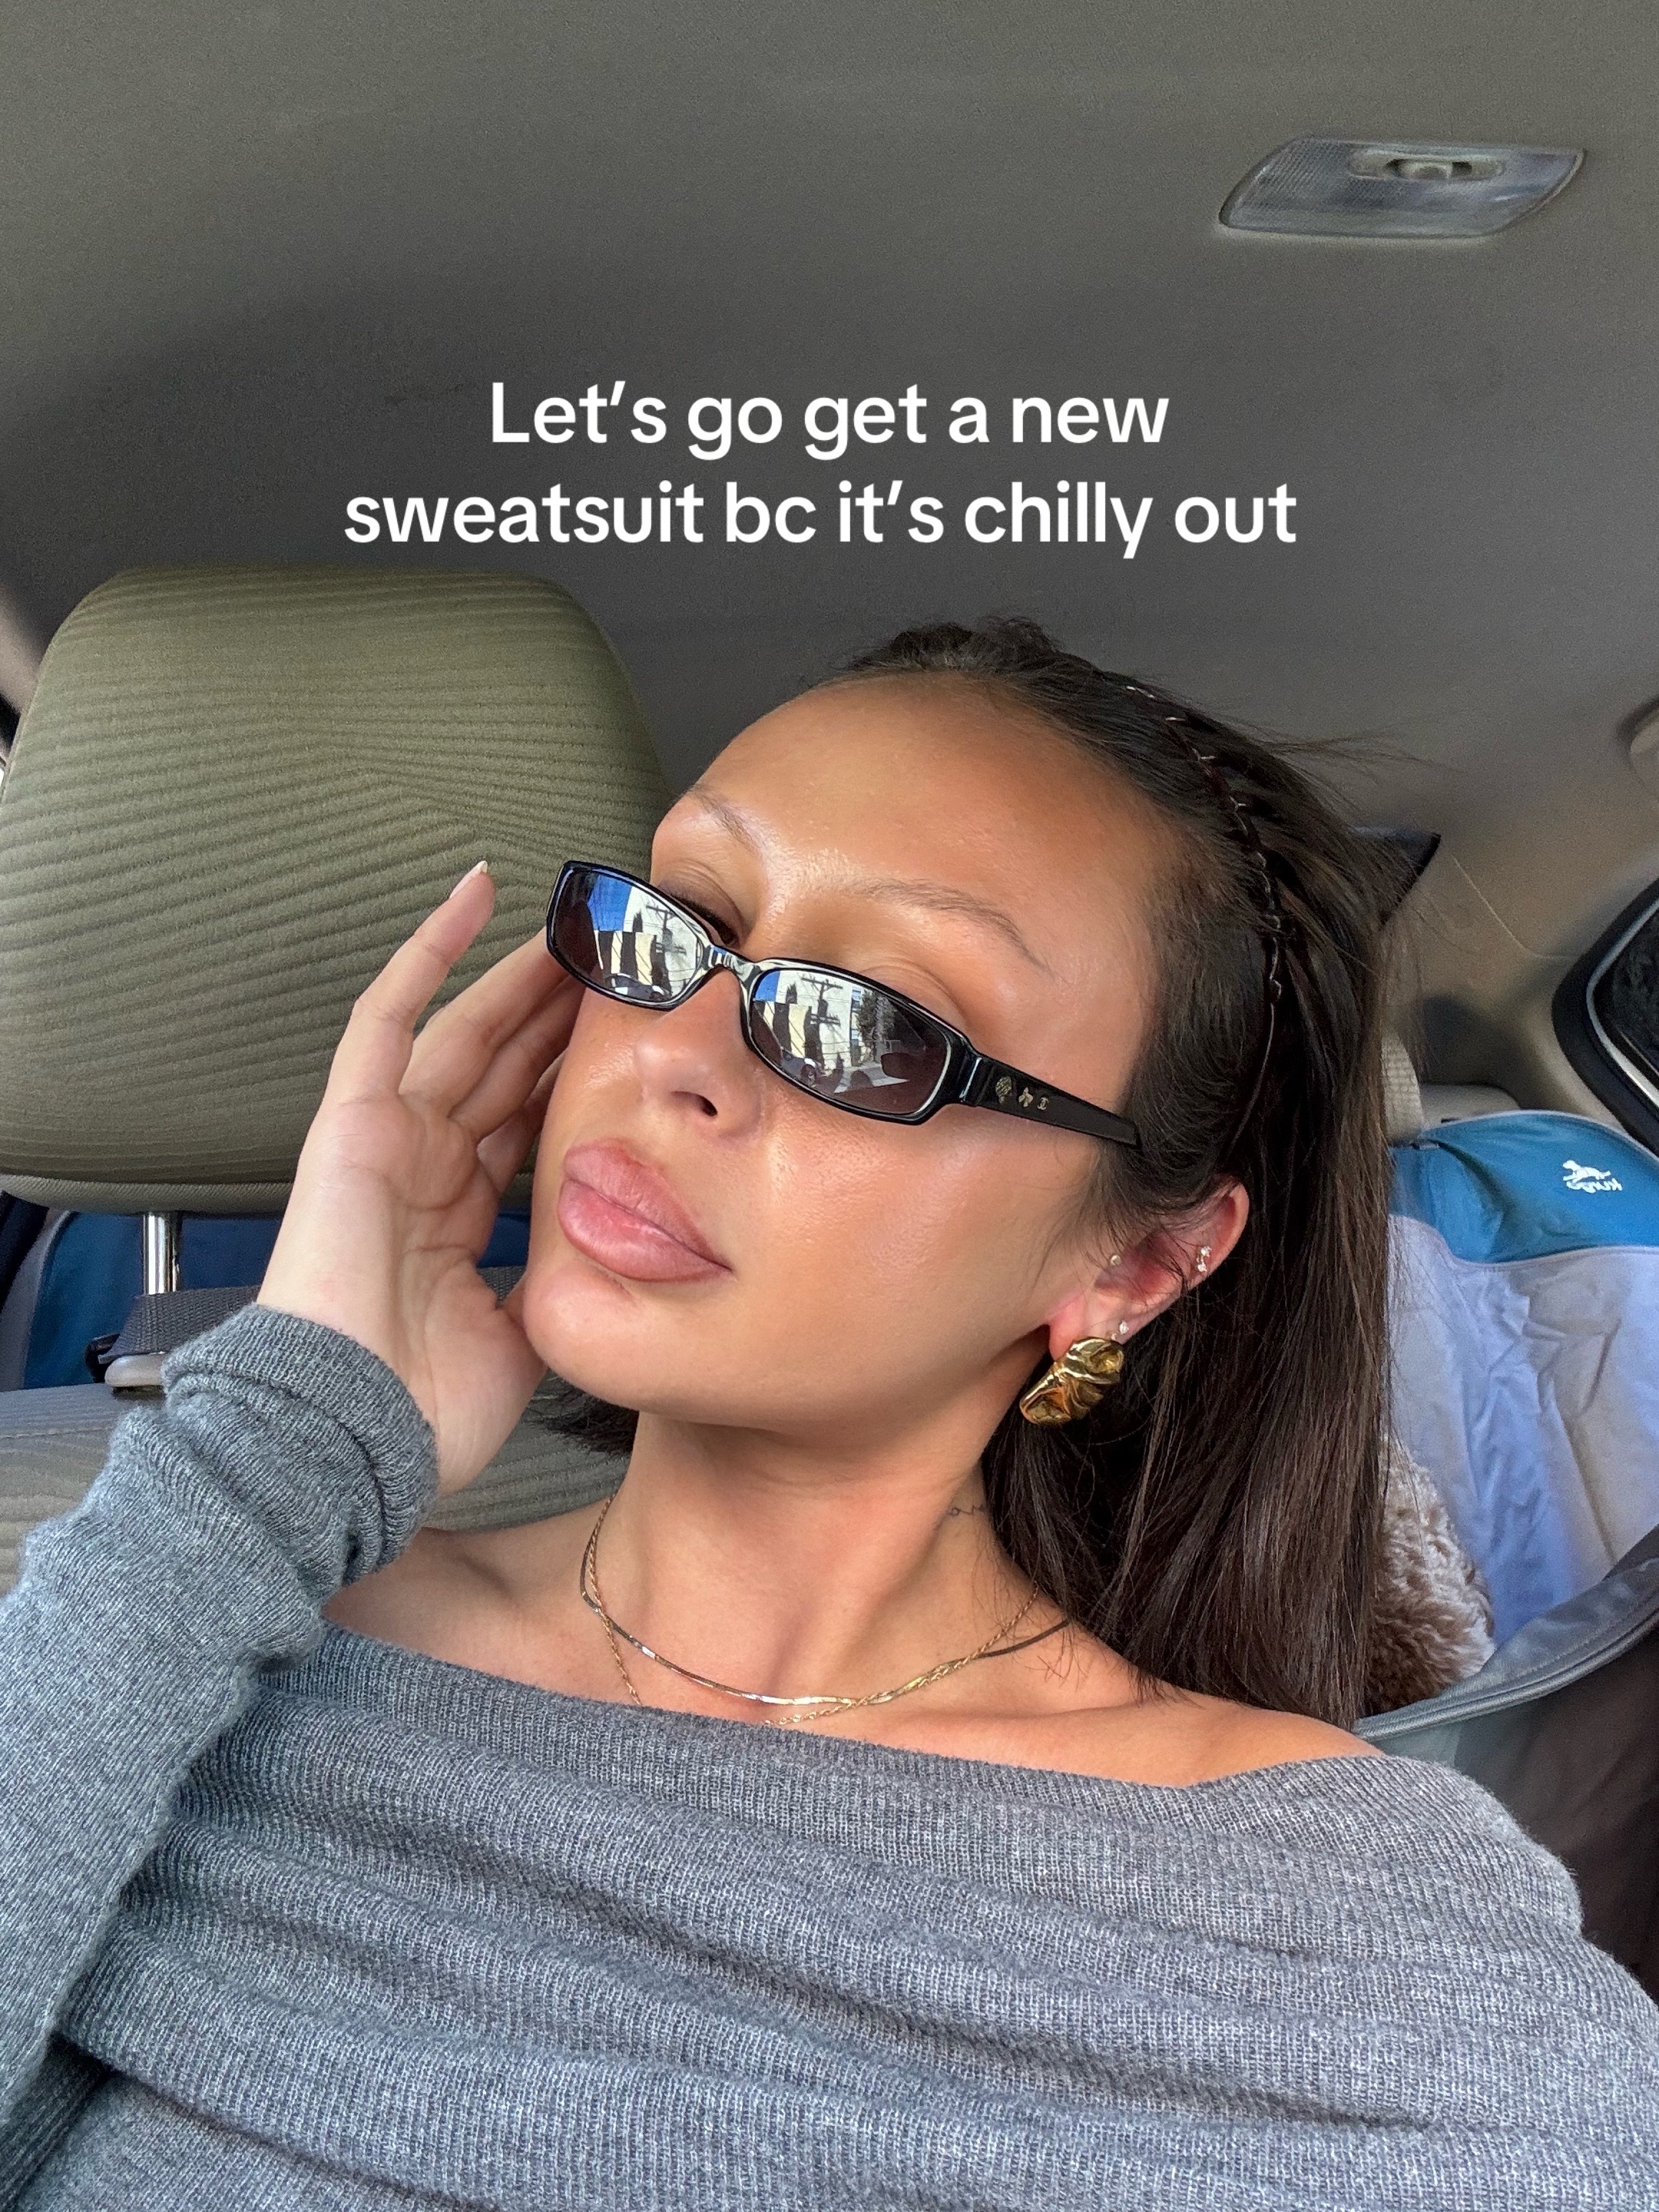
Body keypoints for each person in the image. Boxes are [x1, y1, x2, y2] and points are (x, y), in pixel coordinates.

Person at [1, 618, 1654, 2208]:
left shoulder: (1352, 1928)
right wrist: (275, 1438)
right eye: (675, 924)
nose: (673, 1051)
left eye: (877, 1030)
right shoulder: (186, 1646)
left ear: (1136, 1262)